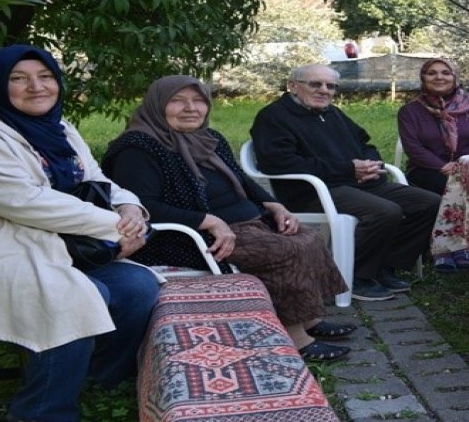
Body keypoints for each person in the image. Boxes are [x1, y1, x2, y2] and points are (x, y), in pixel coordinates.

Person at [104, 75, 354, 362]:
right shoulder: (137, 148)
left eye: (198, 100)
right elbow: (143, 204)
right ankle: (297, 339)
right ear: (158, 104)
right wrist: (208, 221)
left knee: (307, 237)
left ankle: (309, 318)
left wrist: (274, 204)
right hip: (190, 237)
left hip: (242, 223)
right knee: (282, 251)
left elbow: (240, 178)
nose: (190, 108)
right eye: (177, 101)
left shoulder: (208, 138)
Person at [0, 45, 160, 422]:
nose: (36, 87)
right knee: (70, 296)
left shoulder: (61, 129)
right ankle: (39, 414)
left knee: (137, 286)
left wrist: (129, 208)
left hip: (65, 243)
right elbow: (24, 201)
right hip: (2, 247)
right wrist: (114, 228)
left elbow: (96, 179)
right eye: (18, 79)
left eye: (45, 77)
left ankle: (93, 377)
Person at [251, 64, 440, 302]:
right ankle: (356, 276)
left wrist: (372, 164)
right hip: (314, 191)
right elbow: (280, 163)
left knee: (430, 203)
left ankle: (385, 266)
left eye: (331, 86)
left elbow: (365, 142)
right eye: (315, 84)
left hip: (357, 183)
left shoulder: (332, 113)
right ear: (293, 86)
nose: (324, 90)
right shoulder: (274, 117)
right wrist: (348, 169)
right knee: (384, 212)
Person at [397, 58, 469, 272]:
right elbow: (413, 148)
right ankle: (447, 248)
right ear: (423, 78)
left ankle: (463, 245)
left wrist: (462, 163)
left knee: (466, 183)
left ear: (455, 77)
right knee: (449, 184)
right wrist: (443, 165)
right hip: (427, 169)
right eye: (432, 73)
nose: (439, 77)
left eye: (445, 72)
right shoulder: (410, 111)